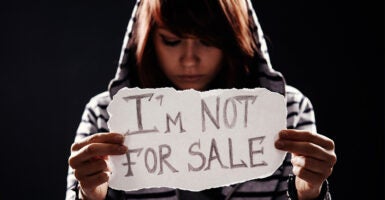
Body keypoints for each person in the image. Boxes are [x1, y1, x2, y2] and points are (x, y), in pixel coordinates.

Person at [66, 0, 337, 199]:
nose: (189, 59)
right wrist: (90, 194)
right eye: (172, 41)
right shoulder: (104, 114)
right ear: (147, 41)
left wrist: (310, 192)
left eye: (207, 41)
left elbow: (307, 191)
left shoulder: (289, 111)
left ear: (233, 39)